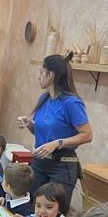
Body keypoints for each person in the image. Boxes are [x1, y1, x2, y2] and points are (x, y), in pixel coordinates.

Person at [17, 52, 93, 203]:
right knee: (31, 204)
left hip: (62, 165)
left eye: (41, 72)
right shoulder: (43, 99)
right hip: (40, 161)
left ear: (50, 75)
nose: (39, 77)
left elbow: (87, 135)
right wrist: (30, 125)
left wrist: (57, 143)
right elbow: (45, 135)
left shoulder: (71, 103)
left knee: (54, 210)